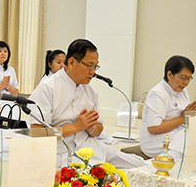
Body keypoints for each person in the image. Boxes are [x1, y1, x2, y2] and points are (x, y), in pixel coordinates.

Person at [29, 39, 145, 169]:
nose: (93, 72)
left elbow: (99, 129)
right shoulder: (47, 88)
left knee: (139, 165)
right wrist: (76, 127)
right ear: (72, 62)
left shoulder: (90, 91)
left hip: (91, 147)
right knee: (96, 181)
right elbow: (37, 133)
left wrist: (91, 128)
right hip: (61, 153)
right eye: (89, 66)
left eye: (96, 66)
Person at [140, 55, 196, 160]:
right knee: (185, 140)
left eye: (189, 78)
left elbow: (185, 118)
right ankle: (167, 168)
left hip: (176, 133)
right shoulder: (157, 93)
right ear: (169, 74)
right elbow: (154, 128)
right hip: (154, 140)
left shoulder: (183, 91)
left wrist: (191, 116)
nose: (186, 83)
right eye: (183, 77)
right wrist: (182, 118)